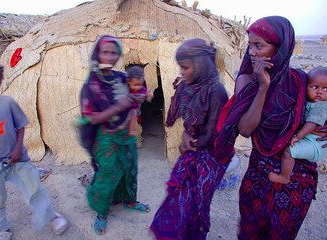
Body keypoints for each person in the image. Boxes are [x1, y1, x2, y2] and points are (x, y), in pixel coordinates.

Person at [214, 16, 327, 239]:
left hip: (298, 177)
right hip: (260, 175)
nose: (252, 52)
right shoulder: (247, 80)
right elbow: (246, 129)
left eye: (259, 45)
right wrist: (263, 87)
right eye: (250, 44)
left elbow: (321, 107)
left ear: (281, 48)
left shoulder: (299, 80)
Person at [0, 56, 68, 240]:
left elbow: (20, 126)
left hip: (16, 158)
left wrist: (17, 149)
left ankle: (51, 217)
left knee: (34, 188)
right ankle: (1, 228)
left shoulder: (7, 102)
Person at [150, 38, 229, 240]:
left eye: (185, 67)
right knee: (178, 198)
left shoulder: (216, 91)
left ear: (201, 64)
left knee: (196, 203)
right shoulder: (189, 87)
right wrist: (186, 135)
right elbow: (188, 122)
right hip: (193, 150)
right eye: (180, 67)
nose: (182, 72)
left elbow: (212, 133)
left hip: (211, 157)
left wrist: (190, 143)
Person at [79, 35, 150, 235]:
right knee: (108, 174)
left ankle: (129, 200)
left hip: (127, 135)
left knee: (130, 169)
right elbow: (91, 118)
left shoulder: (121, 78)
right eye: (105, 52)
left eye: (114, 53)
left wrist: (141, 96)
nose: (110, 57)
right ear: (97, 53)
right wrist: (122, 105)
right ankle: (102, 212)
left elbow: (136, 94)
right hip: (106, 138)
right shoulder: (90, 85)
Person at [269, 67, 327, 184]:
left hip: (315, 144)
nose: (320, 92)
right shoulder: (310, 102)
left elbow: (312, 124)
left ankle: (284, 177)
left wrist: (297, 136)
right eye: (314, 87)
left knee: (288, 151)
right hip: (312, 141)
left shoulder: (321, 105)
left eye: (326, 89)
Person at [125, 65, 152, 136]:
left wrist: (149, 95)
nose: (138, 87)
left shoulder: (141, 88)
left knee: (135, 118)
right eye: (135, 85)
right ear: (128, 82)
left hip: (136, 109)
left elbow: (147, 94)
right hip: (127, 109)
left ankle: (135, 132)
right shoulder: (125, 88)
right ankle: (130, 131)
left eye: (140, 84)